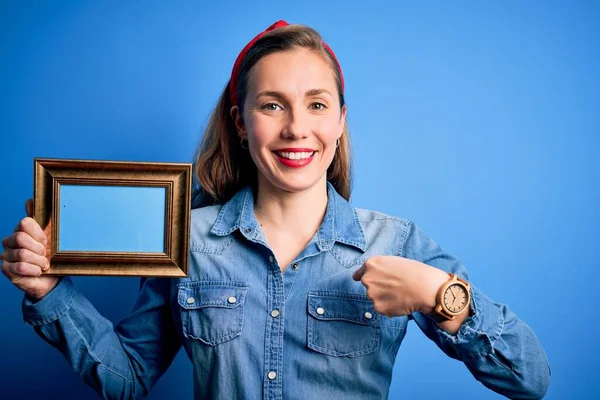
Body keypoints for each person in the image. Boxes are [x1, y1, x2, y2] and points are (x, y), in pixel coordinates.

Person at [1, 20, 550, 399]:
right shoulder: (183, 240)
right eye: (271, 105)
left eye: (316, 104)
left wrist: (441, 297)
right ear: (242, 124)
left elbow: (531, 377)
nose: (296, 128)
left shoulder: (396, 244)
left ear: (339, 121)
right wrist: (50, 293)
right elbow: (128, 380)